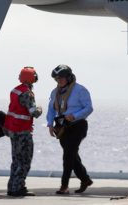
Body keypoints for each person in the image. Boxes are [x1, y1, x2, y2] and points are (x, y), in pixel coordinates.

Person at [46, 65, 94, 194]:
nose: (59, 81)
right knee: (71, 155)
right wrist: (50, 124)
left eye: (61, 78)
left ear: (69, 77)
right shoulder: (54, 92)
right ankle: (85, 179)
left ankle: (64, 185)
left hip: (78, 125)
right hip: (62, 127)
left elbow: (88, 108)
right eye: (56, 79)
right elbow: (51, 110)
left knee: (67, 155)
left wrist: (75, 116)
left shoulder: (80, 90)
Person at [3, 67, 42, 197]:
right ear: (31, 78)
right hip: (22, 131)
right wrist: (40, 109)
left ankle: (13, 186)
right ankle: (17, 187)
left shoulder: (16, 90)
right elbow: (33, 112)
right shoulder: (27, 93)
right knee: (24, 161)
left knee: (16, 160)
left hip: (13, 130)